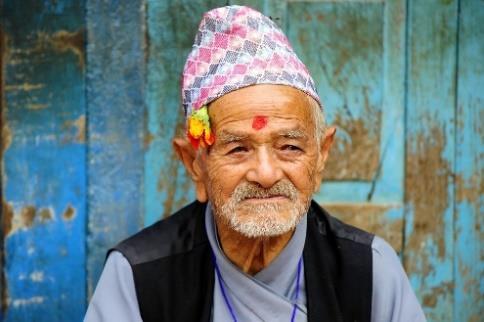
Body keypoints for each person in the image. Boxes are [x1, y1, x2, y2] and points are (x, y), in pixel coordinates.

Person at [85, 5, 426, 322]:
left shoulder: (369, 271)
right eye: (238, 149)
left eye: (289, 147)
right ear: (195, 164)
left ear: (321, 155)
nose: (266, 174)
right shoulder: (139, 275)